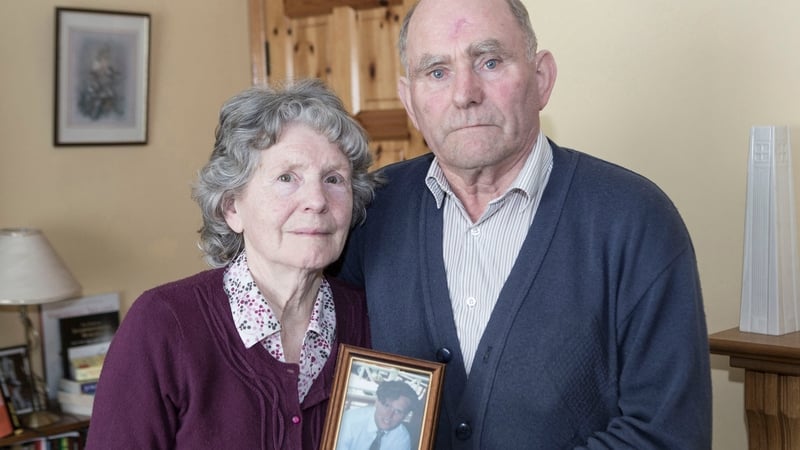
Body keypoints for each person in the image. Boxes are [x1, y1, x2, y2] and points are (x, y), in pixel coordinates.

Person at [334, 0, 712, 448]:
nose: (465, 93)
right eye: (437, 72)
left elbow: (668, 435)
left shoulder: (636, 221)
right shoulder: (367, 212)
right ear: (410, 103)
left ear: (542, 79)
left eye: (490, 61)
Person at [86, 79, 377, 450]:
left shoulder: (369, 319)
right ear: (232, 208)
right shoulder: (163, 324)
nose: (316, 201)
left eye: (334, 179)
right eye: (287, 178)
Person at [336, 380, 418, 450]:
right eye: (386, 405)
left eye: (398, 411)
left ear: (405, 415)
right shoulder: (349, 421)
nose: (389, 415)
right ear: (376, 402)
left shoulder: (402, 438)